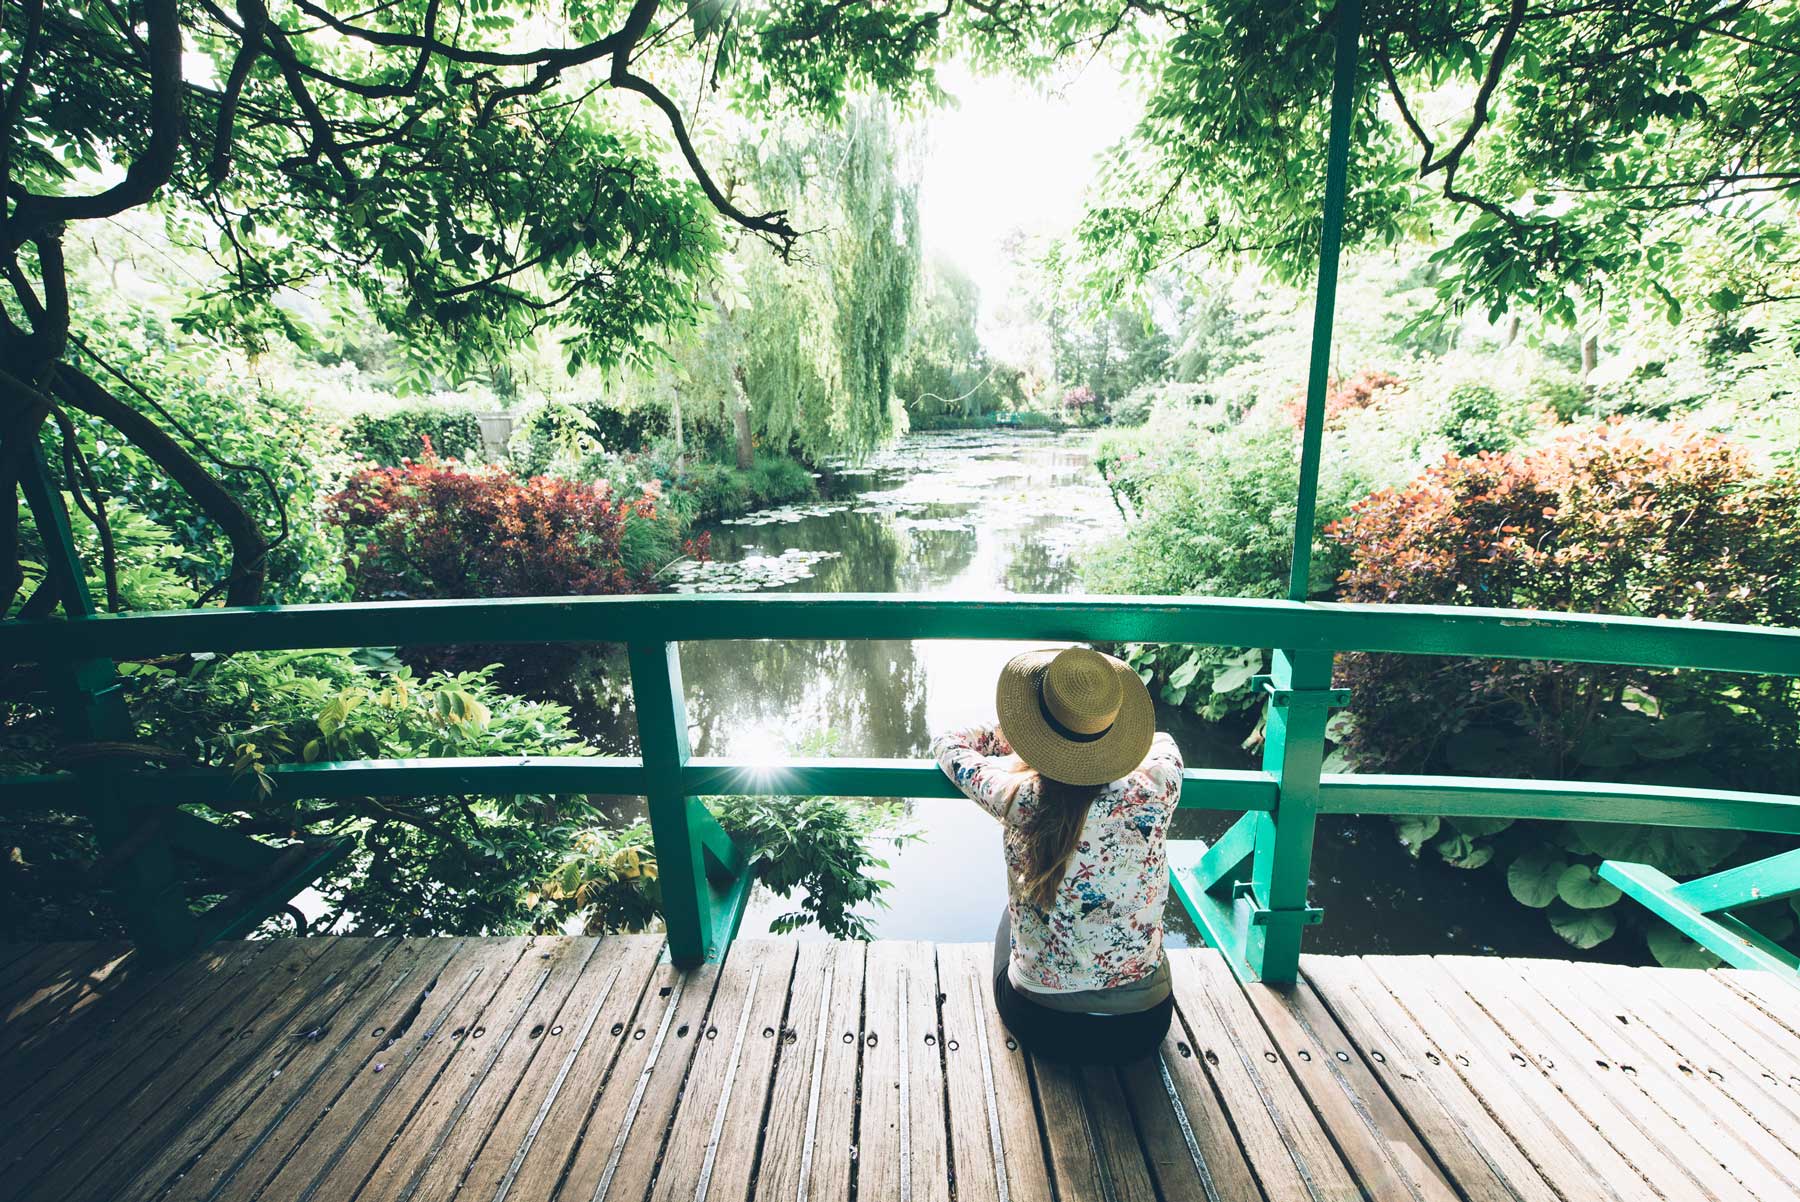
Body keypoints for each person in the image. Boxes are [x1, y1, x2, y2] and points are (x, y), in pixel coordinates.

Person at [931, 645, 1183, 1064]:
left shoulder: (1014, 796)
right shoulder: (1159, 783)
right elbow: (1160, 739)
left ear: (1037, 736)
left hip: (1041, 1023)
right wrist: (1098, 731)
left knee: (1011, 913)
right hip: (1142, 1027)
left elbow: (948, 744)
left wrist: (1024, 729)